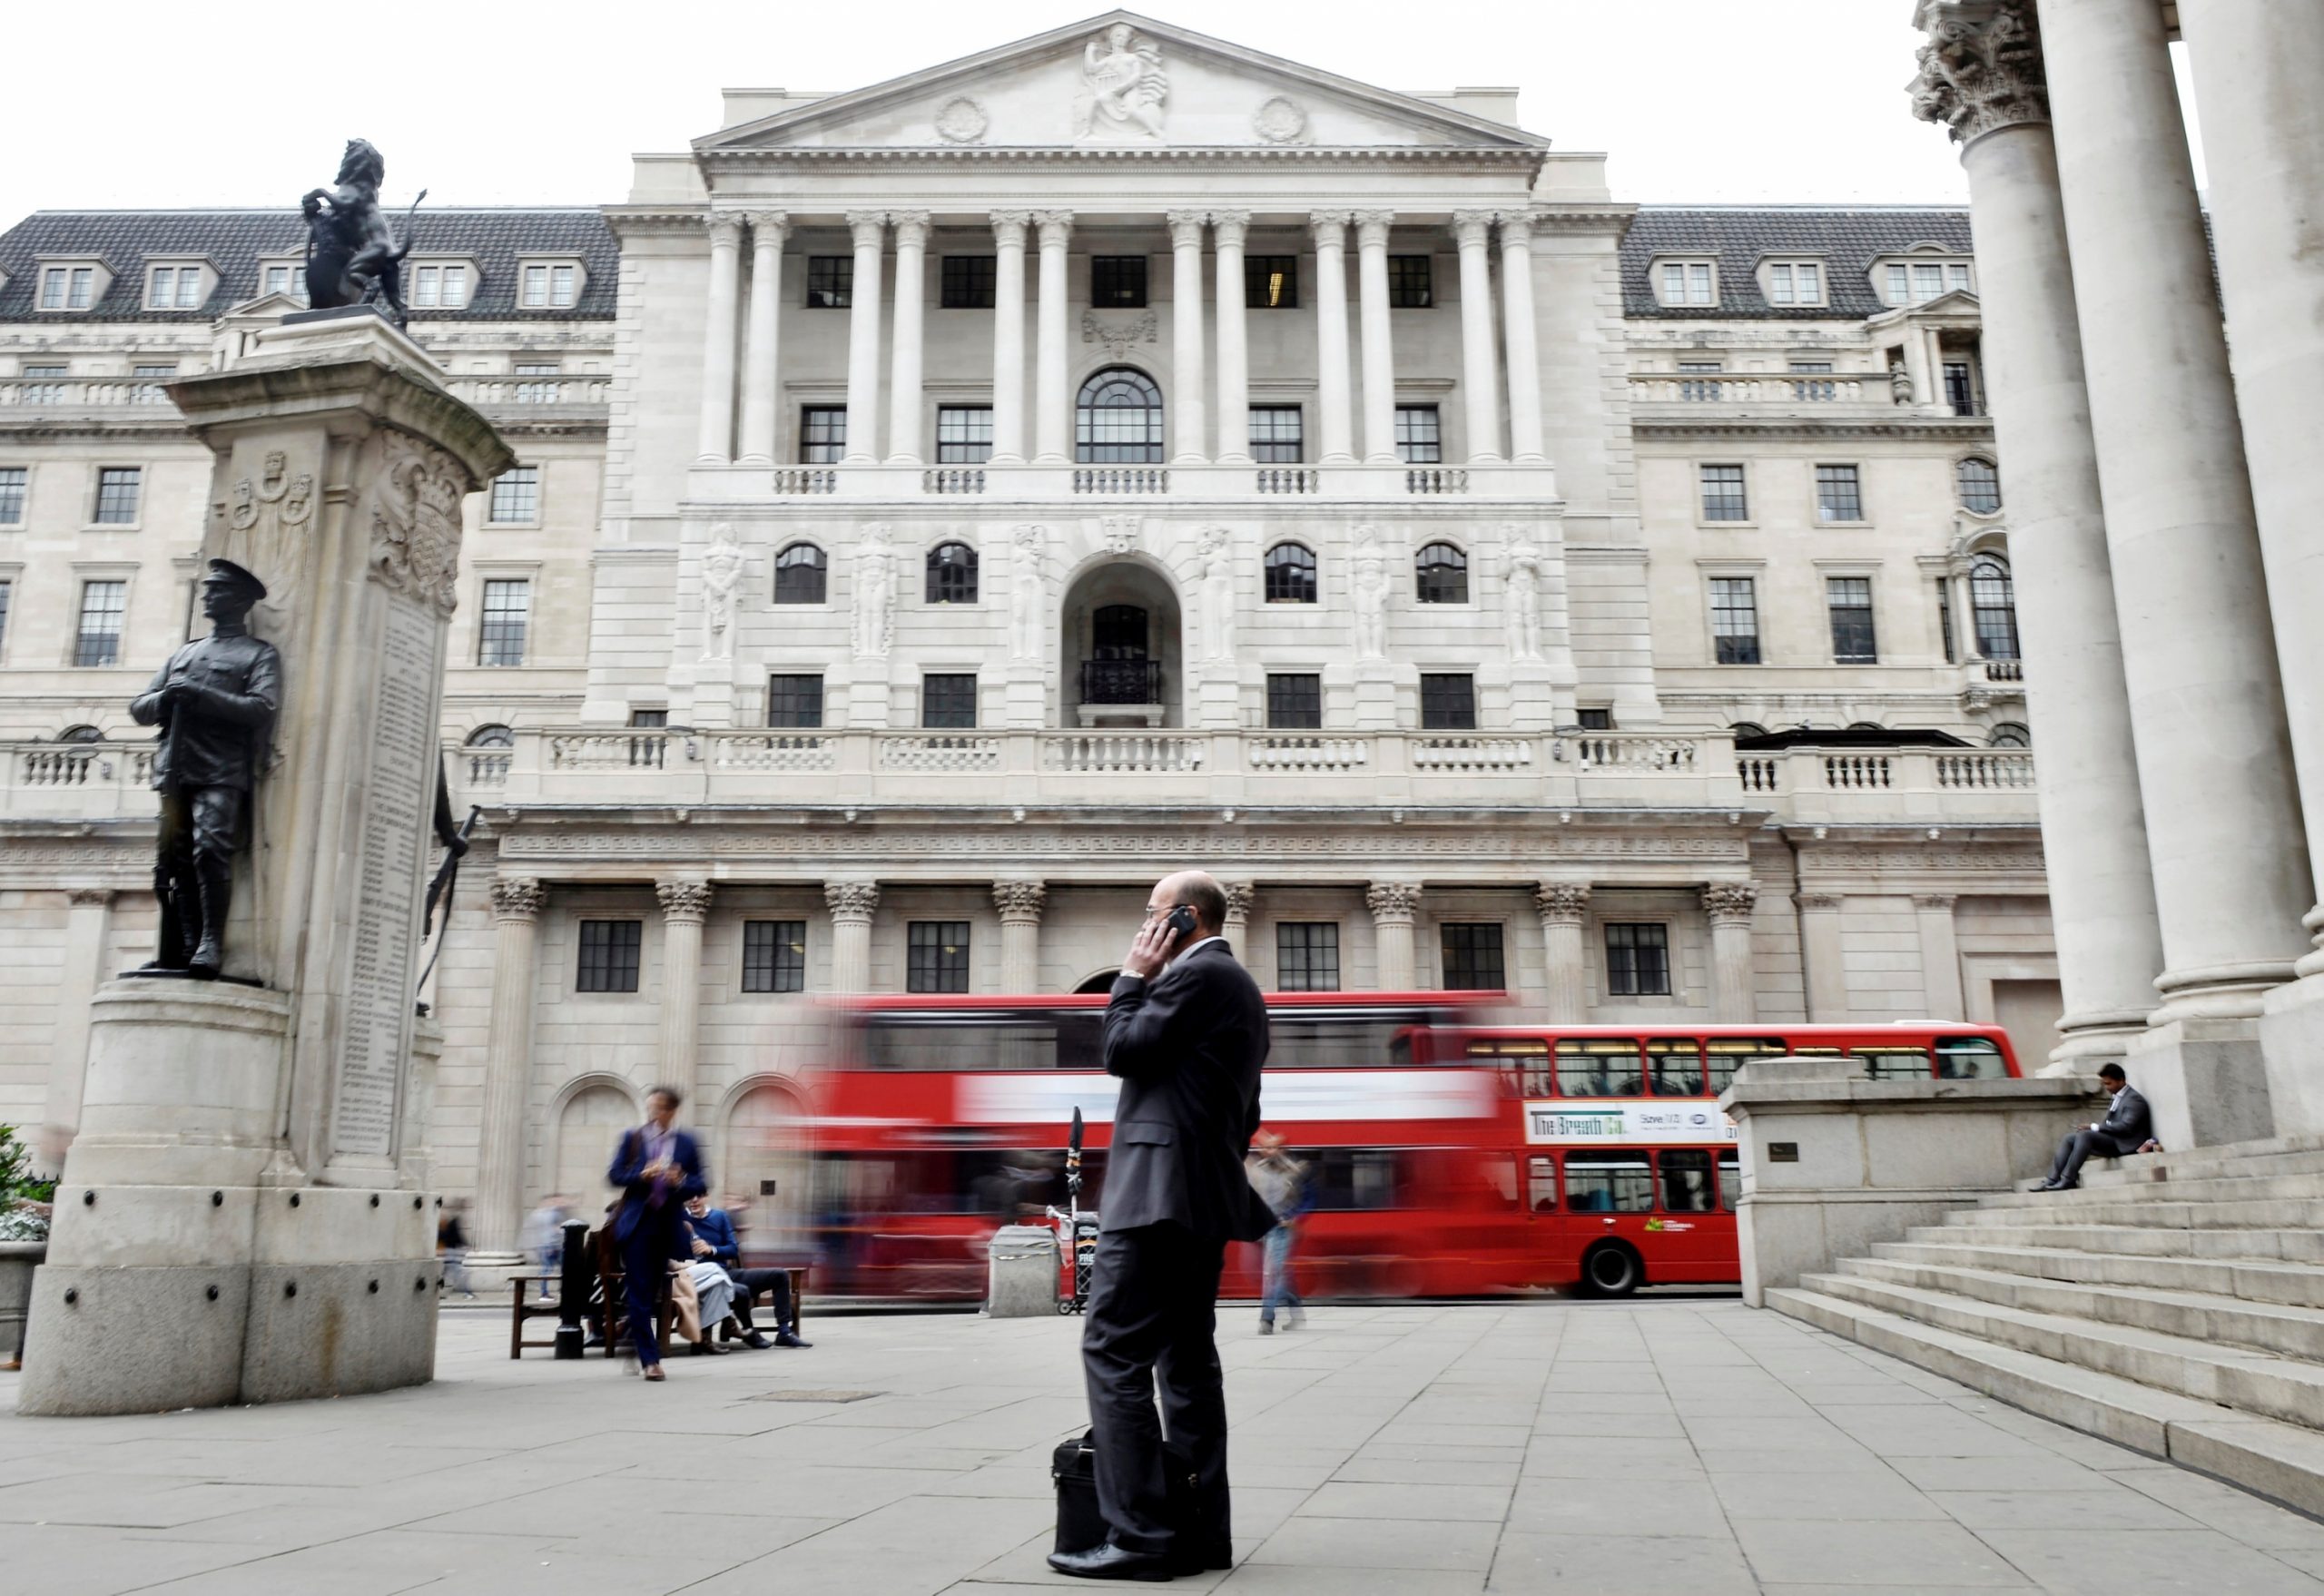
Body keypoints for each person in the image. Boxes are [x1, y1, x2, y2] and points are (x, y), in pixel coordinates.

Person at [1049, 872, 1275, 1582]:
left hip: (1154, 1198)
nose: (1142, 927)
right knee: (1186, 1367)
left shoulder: (1194, 975)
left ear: (1184, 917)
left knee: (1112, 1352)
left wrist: (1131, 977)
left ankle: (1140, 1534)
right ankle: (1202, 1532)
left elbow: (1123, 1051)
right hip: (1199, 1198)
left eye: (1151, 914)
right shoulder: (1237, 988)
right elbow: (1249, 1115)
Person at [129, 558, 281, 977]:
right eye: (207, 590)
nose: (208, 596)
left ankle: (212, 941)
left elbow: (261, 708)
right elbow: (139, 707)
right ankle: (186, 944)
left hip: (222, 768)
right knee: (173, 861)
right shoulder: (185, 652)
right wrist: (166, 700)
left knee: (210, 851)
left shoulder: (257, 654)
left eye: (217, 591)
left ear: (241, 601)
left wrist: (200, 695)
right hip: (174, 769)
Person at [608, 1086, 706, 1381]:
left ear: (672, 1111)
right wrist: (641, 1175)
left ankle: (633, 1337)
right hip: (639, 1225)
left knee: (651, 1293)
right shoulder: (634, 1138)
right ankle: (651, 1360)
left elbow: (701, 1184)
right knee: (638, 1291)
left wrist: (681, 1179)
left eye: (660, 1108)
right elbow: (614, 1175)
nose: (654, 1113)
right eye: (651, 1107)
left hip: (667, 1226)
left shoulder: (687, 1143)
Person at [683, 1194, 810, 1349]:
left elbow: (733, 1249)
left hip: (728, 1273)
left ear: (706, 1197)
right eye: (690, 1196)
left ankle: (784, 1332)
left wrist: (712, 1250)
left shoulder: (719, 1216)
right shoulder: (681, 1221)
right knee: (741, 1291)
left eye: (699, 1195)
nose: (694, 1199)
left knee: (780, 1275)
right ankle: (750, 1332)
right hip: (704, 1279)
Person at [2035, 1063, 2152, 1191]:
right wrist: (2095, 1128)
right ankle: (2052, 1179)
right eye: (2104, 1084)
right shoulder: (2119, 1097)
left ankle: (2069, 1179)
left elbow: (2126, 1127)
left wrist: (2095, 1127)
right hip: (2114, 1140)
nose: (2106, 1088)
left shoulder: (2134, 1100)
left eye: (2108, 1084)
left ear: (2121, 1080)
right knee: (2070, 1138)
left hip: (2126, 1144)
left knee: (2086, 1136)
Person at [1246, 1132, 1309, 1335]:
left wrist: (1294, 1216)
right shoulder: (1258, 1170)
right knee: (1280, 1273)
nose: (1269, 1151)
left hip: (1283, 1227)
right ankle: (1296, 1311)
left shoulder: (1295, 1170)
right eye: (1266, 1147)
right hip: (1264, 1227)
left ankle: (1267, 1318)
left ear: (1282, 1150)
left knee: (1272, 1274)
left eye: (1274, 1147)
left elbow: (1309, 1197)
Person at [521, 1193, 573, 1301]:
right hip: (550, 1245)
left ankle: (549, 1292)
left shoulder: (539, 1214)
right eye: (557, 1201)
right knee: (550, 1269)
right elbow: (553, 1230)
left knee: (553, 1269)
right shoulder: (550, 1214)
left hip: (548, 1245)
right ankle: (547, 1293)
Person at [436, 1198, 474, 1299]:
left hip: (448, 1251)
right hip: (450, 1252)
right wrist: (466, 1244)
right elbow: (457, 1236)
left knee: (445, 1273)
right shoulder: (453, 1221)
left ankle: (438, 1292)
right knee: (458, 1273)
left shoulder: (450, 1221)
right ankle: (467, 1292)